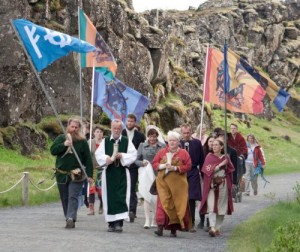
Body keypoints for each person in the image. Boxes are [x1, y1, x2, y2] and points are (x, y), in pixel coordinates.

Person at [50, 117, 93, 229]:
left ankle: (70, 218)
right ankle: (68, 216)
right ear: (68, 126)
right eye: (72, 126)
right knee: (64, 198)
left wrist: (90, 175)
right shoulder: (61, 138)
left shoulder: (82, 142)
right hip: (62, 174)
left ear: (79, 128)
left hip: (76, 175)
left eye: (76, 127)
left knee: (73, 196)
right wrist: (64, 145)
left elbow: (88, 160)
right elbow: (53, 150)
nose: (73, 129)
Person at [95, 119, 137, 233]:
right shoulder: (105, 141)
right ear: (111, 128)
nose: (116, 130)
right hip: (109, 173)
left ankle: (119, 223)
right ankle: (111, 223)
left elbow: (133, 155)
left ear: (121, 129)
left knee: (121, 197)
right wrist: (106, 159)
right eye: (114, 128)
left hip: (122, 173)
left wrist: (122, 156)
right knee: (109, 197)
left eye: (119, 128)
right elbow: (98, 154)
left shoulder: (126, 141)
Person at [152, 131, 192, 237]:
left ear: (178, 142)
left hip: (178, 186)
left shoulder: (184, 153)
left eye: (174, 140)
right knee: (162, 204)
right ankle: (160, 227)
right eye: (170, 140)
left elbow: (188, 166)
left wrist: (175, 168)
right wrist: (164, 166)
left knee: (175, 206)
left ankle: (173, 229)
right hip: (163, 184)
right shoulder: (161, 152)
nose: (172, 142)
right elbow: (155, 164)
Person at [200, 139, 234, 237]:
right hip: (212, 185)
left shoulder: (226, 157)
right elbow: (207, 170)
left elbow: (230, 170)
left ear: (222, 147)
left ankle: (218, 227)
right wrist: (220, 165)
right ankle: (212, 227)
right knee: (211, 206)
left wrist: (227, 164)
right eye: (213, 145)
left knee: (221, 207)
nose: (213, 146)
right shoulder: (209, 157)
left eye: (216, 145)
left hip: (223, 184)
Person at [135, 127, 166, 229]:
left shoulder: (162, 146)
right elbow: (136, 160)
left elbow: (165, 159)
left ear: (157, 136)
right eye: (150, 136)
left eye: (154, 136)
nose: (152, 138)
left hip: (158, 174)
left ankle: (155, 219)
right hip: (146, 174)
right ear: (147, 136)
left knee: (157, 198)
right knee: (147, 197)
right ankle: (147, 220)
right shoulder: (142, 145)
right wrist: (142, 163)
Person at [180, 123, 204, 232]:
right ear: (181, 133)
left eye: (188, 132)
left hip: (193, 171)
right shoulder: (177, 143)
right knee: (180, 197)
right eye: (184, 133)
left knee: (191, 198)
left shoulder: (197, 143)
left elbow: (202, 160)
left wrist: (204, 175)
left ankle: (192, 222)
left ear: (191, 132)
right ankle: (181, 222)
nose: (186, 135)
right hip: (180, 172)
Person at [122, 113, 146, 222]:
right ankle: (123, 210)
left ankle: (132, 211)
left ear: (134, 123)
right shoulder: (121, 133)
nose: (130, 123)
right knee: (122, 188)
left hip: (134, 165)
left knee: (131, 187)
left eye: (132, 121)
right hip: (122, 164)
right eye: (128, 121)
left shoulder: (140, 136)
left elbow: (142, 151)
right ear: (125, 122)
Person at [197, 134, 215, 230]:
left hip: (213, 180)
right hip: (203, 178)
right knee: (203, 200)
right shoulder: (203, 152)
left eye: (213, 141)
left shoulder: (217, 153)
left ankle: (209, 221)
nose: (212, 143)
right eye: (210, 141)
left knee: (211, 201)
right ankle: (202, 220)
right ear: (207, 143)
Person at [87, 125, 104, 215]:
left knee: (100, 190)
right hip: (92, 169)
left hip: (102, 169)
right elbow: (86, 154)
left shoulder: (105, 143)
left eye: (101, 132)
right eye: (97, 132)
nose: (99, 133)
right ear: (94, 133)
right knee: (91, 189)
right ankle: (91, 208)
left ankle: (102, 204)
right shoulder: (90, 142)